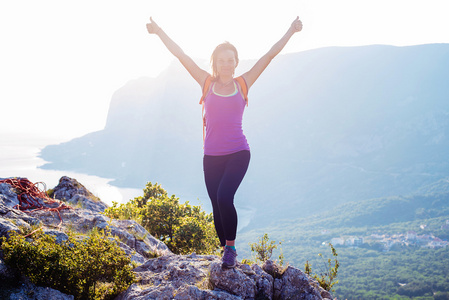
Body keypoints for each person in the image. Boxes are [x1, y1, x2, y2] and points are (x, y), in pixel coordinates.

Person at [146, 16, 303, 269]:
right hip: (211, 156)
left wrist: (291, 31)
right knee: (216, 206)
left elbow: (269, 56)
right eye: (222, 61)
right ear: (215, 64)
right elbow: (181, 55)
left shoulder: (243, 83)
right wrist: (159, 31)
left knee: (224, 197)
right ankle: (224, 249)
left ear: (236, 63)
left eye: (231, 60)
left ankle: (230, 248)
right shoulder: (206, 82)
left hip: (238, 152)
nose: (227, 65)